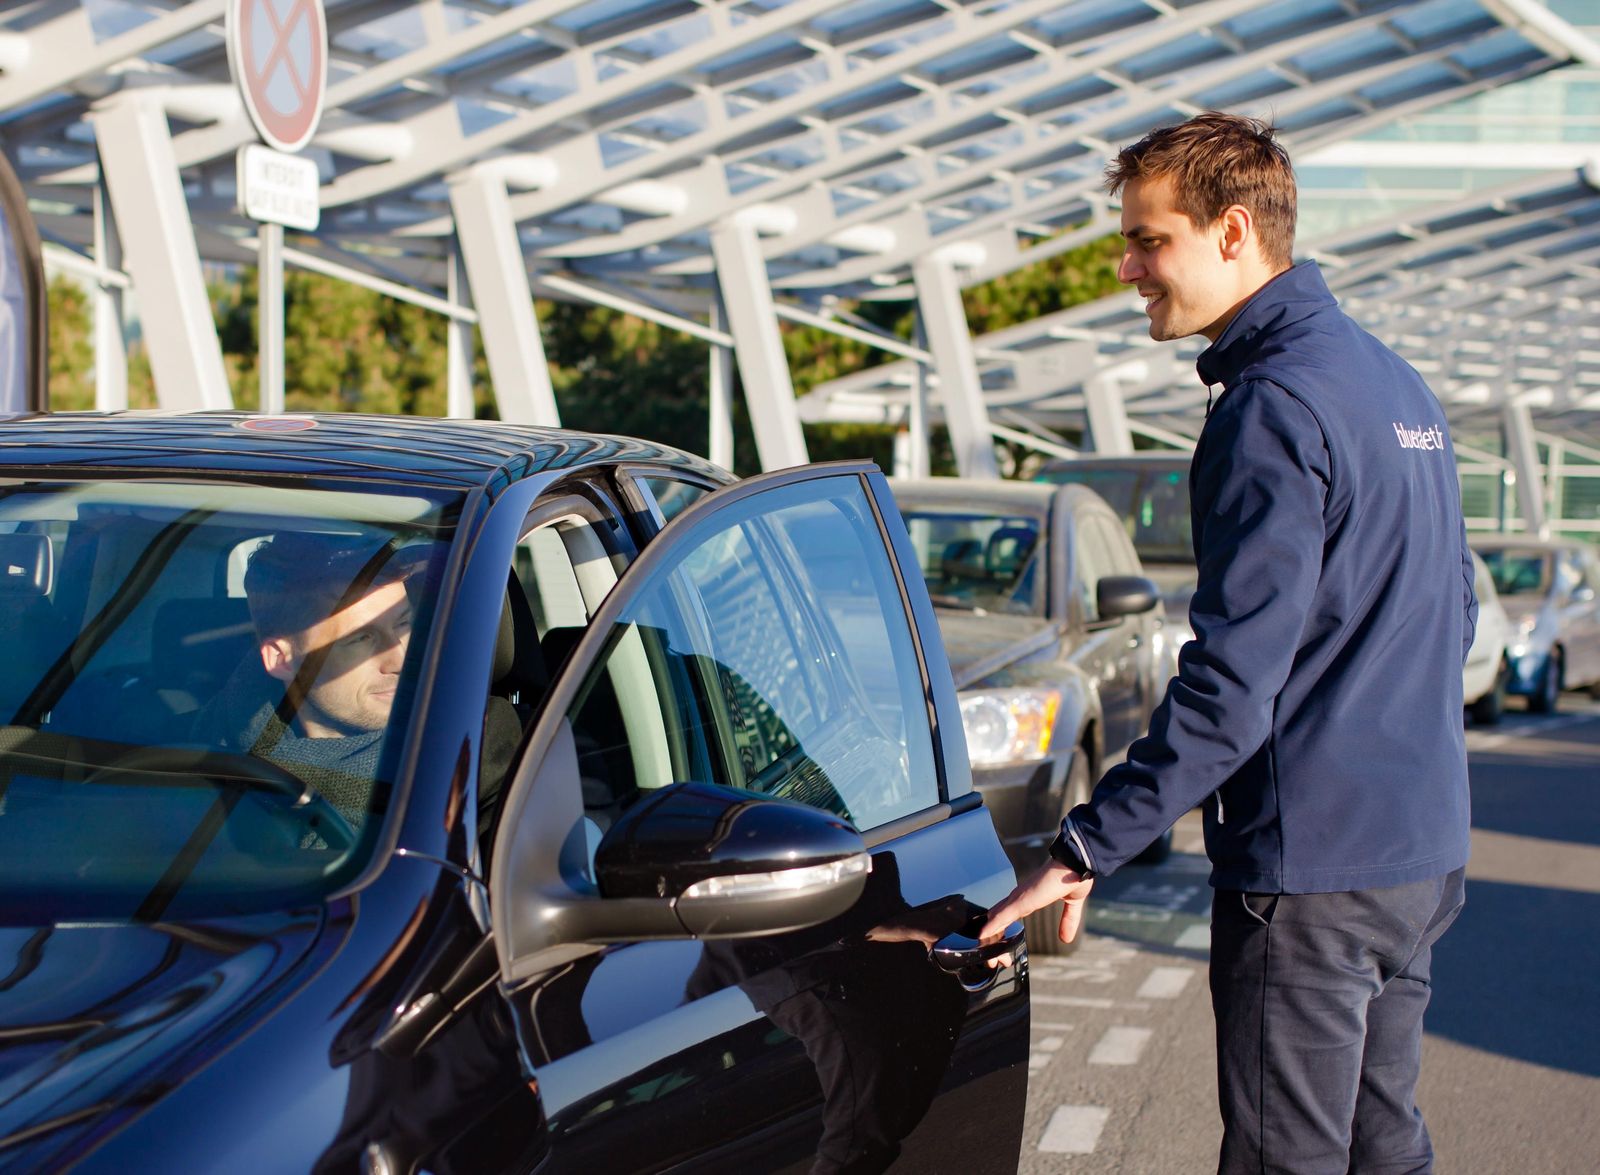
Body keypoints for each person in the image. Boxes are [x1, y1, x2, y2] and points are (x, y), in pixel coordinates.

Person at [982, 112, 1475, 1174]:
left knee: (1284, 1157)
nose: (1127, 269)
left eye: (1148, 240)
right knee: (1382, 1145)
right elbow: (1453, 605)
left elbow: (1230, 685)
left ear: (1233, 231)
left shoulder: (1270, 405)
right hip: (1419, 853)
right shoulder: (1393, 384)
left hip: (1311, 877)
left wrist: (1083, 846)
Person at [236, 531, 417, 823]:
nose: (400, 660)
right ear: (282, 659)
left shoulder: (471, 766)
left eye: (404, 623)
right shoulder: (205, 756)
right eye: (361, 639)